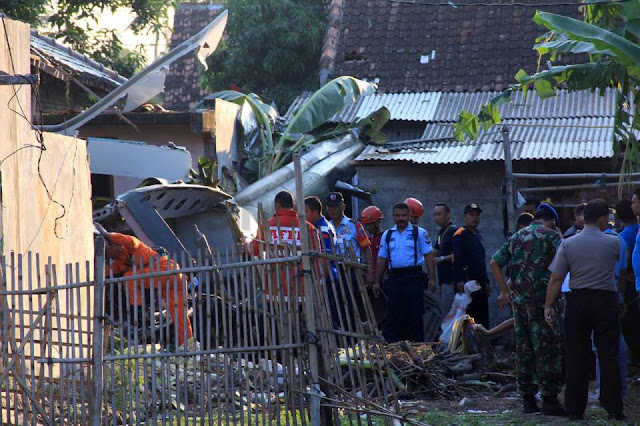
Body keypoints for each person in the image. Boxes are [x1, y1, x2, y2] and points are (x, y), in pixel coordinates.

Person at [544, 199, 624, 421]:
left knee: (576, 355)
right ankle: (614, 407)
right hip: (606, 301)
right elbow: (619, 267)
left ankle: (575, 409)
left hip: (578, 301)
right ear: (601, 219)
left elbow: (556, 278)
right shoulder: (613, 242)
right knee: (608, 355)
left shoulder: (568, 243)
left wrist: (549, 305)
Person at [490, 203, 565, 416]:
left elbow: (494, 263)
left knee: (523, 350)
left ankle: (528, 400)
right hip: (544, 304)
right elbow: (562, 269)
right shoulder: (552, 237)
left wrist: (505, 292)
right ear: (551, 221)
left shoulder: (517, 237)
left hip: (520, 303)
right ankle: (550, 399)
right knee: (547, 349)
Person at [97, 225, 194, 347]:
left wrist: (108, 235)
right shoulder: (120, 263)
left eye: (107, 250)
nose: (107, 254)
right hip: (173, 277)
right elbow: (106, 272)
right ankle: (189, 346)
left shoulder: (132, 245)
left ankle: (138, 313)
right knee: (179, 315)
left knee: (129, 277)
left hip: (165, 270)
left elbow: (125, 239)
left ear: (113, 245)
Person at [373, 202, 434, 342]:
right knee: (394, 316)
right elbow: (382, 259)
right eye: (398, 215)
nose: (401, 218)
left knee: (415, 315)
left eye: (404, 215)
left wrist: (432, 278)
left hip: (414, 278)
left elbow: (428, 255)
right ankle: (396, 351)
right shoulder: (387, 235)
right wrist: (376, 281)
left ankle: (418, 349)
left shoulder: (419, 233)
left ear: (409, 216)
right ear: (393, 216)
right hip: (394, 279)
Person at [252, 190, 321, 300]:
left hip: (274, 290)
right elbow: (317, 257)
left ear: (276, 205)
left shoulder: (266, 226)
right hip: (301, 290)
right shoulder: (308, 227)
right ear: (293, 205)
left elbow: (255, 250)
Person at [452, 203, 490, 328]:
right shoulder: (460, 234)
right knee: (470, 319)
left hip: (479, 284)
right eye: (471, 215)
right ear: (465, 217)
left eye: (477, 215)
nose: (474, 218)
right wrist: (459, 280)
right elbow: (457, 259)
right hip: (468, 284)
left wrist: (486, 282)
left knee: (482, 318)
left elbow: (480, 262)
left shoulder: (477, 235)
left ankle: (483, 345)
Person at [326, 192, 374, 281]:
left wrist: (370, 273)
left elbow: (366, 250)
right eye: (330, 206)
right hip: (332, 270)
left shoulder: (354, 225)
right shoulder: (326, 226)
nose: (333, 209)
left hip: (351, 270)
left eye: (336, 206)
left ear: (343, 207)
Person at [433, 203, 457, 315]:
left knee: (449, 316)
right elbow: (434, 252)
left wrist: (441, 259)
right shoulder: (441, 232)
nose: (436, 217)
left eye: (439, 214)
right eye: (435, 215)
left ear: (448, 215)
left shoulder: (453, 231)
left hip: (451, 281)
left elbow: (457, 255)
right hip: (443, 282)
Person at [359, 205, 385, 270]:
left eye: (370, 224)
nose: (368, 228)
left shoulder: (385, 238)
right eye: (366, 225)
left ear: (378, 222)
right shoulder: (369, 240)